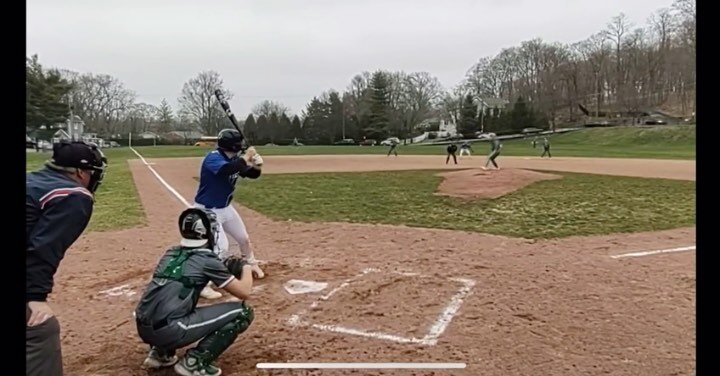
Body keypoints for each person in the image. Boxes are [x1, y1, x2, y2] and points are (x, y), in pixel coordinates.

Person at [135, 208, 255, 376]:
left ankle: (161, 353)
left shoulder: (170, 253)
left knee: (174, 298)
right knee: (243, 312)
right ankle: (194, 362)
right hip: (171, 329)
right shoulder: (207, 260)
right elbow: (244, 292)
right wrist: (246, 266)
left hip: (143, 327)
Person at [26, 140, 108, 376]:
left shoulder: (33, 180)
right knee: (40, 329)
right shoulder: (75, 195)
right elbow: (43, 247)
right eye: (92, 172)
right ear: (81, 172)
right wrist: (34, 296)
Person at [194, 129, 265, 300]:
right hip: (208, 211)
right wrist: (246, 157)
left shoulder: (234, 158)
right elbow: (228, 169)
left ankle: (251, 264)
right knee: (220, 248)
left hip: (225, 208)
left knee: (244, 238)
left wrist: (256, 166)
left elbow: (250, 173)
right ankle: (203, 284)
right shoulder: (214, 158)